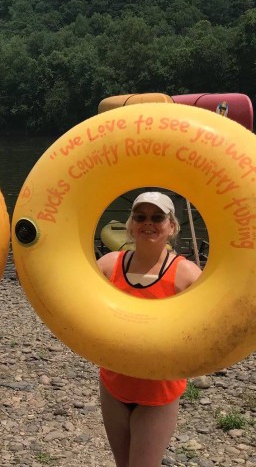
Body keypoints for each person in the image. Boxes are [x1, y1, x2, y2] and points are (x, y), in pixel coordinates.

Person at [96, 191, 202, 467]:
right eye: (140, 217)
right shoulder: (109, 266)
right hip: (113, 385)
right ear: (131, 225)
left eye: (157, 217)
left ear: (171, 226)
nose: (148, 223)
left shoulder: (187, 274)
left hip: (158, 392)